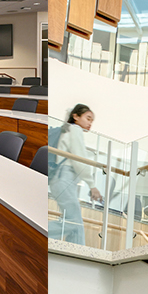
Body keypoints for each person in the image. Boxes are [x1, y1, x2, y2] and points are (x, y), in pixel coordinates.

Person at [47, 104, 104, 245]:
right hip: (64, 177)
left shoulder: (66, 130)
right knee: (74, 222)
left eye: (92, 121)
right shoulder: (75, 129)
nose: (90, 123)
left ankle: (75, 252)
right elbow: (79, 160)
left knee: (75, 221)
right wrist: (92, 185)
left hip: (61, 179)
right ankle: (40, 233)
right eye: (88, 118)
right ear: (76, 116)